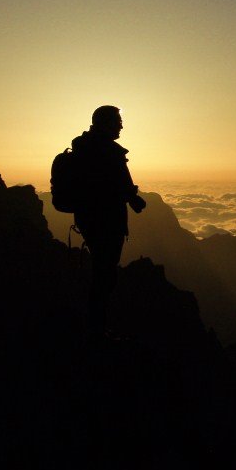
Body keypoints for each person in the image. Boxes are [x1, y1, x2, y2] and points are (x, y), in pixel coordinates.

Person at [72, 105, 146, 340]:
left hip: (88, 219)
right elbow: (122, 186)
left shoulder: (84, 147)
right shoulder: (109, 151)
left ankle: (95, 325)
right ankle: (97, 330)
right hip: (107, 222)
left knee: (101, 272)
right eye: (118, 121)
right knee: (105, 275)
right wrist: (134, 199)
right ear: (106, 123)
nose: (121, 126)